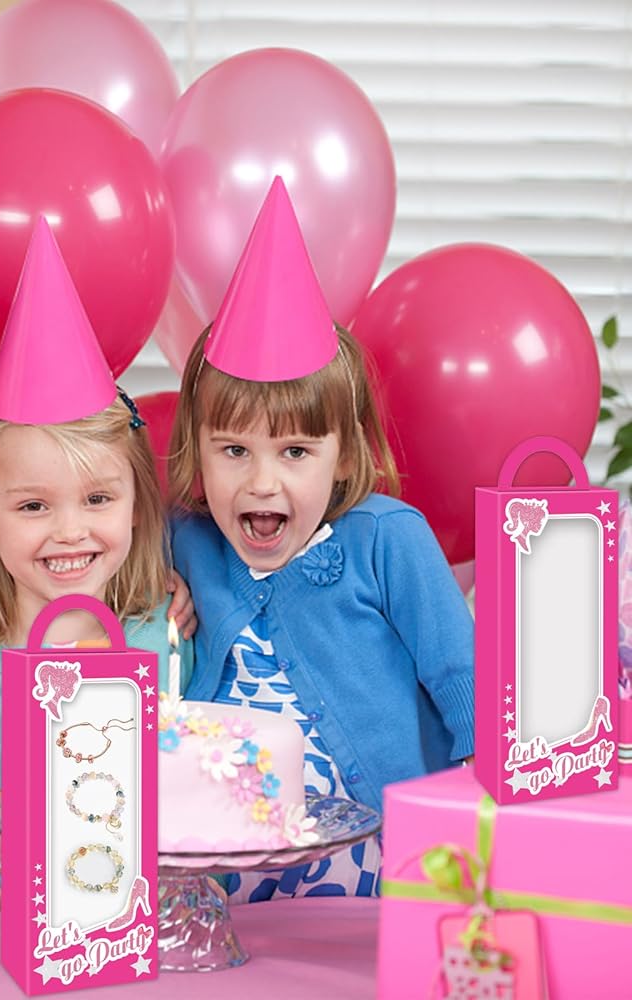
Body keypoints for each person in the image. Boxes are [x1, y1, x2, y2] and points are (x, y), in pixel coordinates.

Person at [167, 178, 475, 901]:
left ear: (343, 453)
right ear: (197, 448)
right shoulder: (182, 541)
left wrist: (472, 833)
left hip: (379, 875)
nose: (262, 482)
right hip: (228, 888)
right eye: (233, 450)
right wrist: (155, 593)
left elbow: (464, 684)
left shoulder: (388, 541)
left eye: (296, 452)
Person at [0, 218, 193, 895]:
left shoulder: (166, 639)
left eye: (98, 499)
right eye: (32, 507)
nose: (70, 532)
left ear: (135, 503)